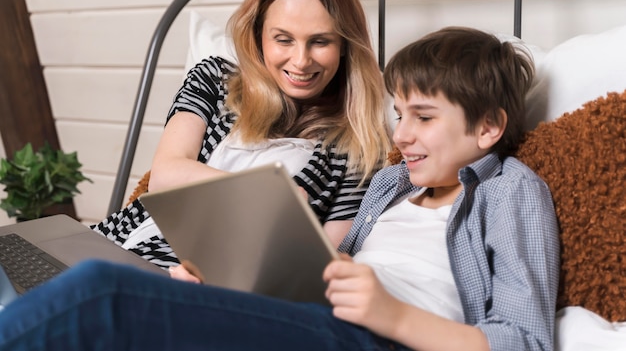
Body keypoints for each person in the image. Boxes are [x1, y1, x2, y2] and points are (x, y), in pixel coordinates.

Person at [0, 27, 560, 351]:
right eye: (397, 114)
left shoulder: (511, 192)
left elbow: (526, 341)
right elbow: (325, 269)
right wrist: (233, 279)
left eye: (423, 117)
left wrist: (391, 316)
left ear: (487, 126)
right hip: (321, 321)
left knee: (105, 291)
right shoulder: (390, 185)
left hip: (381, 337)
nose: (401, 134)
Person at [92, 0, 391, 266]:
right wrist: (270, 198)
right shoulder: (215, 80)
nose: (301, 60)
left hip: (199, 286)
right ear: (259, 36)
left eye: (320, 41)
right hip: (111, 243)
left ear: (344, 44)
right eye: (283, 39)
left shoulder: (358, 145)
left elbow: (322, 269)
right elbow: (165, 176)